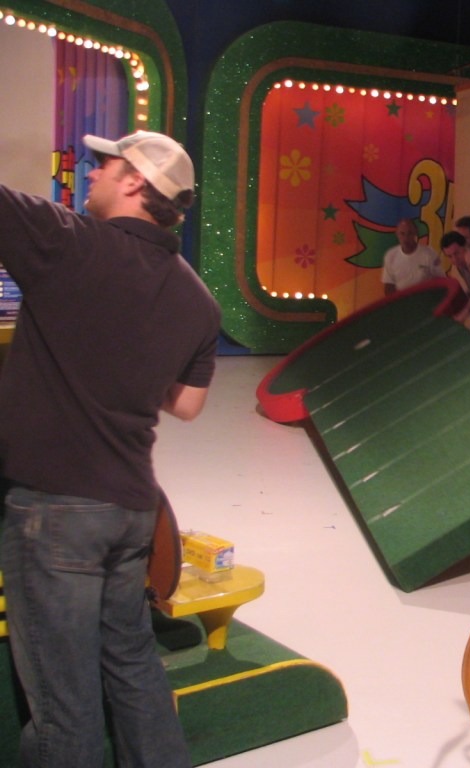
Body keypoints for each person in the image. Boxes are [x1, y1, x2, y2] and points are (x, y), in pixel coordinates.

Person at [0, 130, 221, 767]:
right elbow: (187, 405)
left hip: (56, 512)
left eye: (105, 165)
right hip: (131, 511)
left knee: (63, 702)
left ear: (134, 182)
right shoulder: (198, 298)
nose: (92, 174)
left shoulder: (65, 241)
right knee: (131, 662)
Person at [381, 217, 444, 294]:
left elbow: (441, 280)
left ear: (415, 233)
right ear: (397, 234)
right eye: (402, 233)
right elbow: (389, 286)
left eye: (409, 233)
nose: (406, 238)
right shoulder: (390, 256)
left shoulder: (429, 253)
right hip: (402, 299)